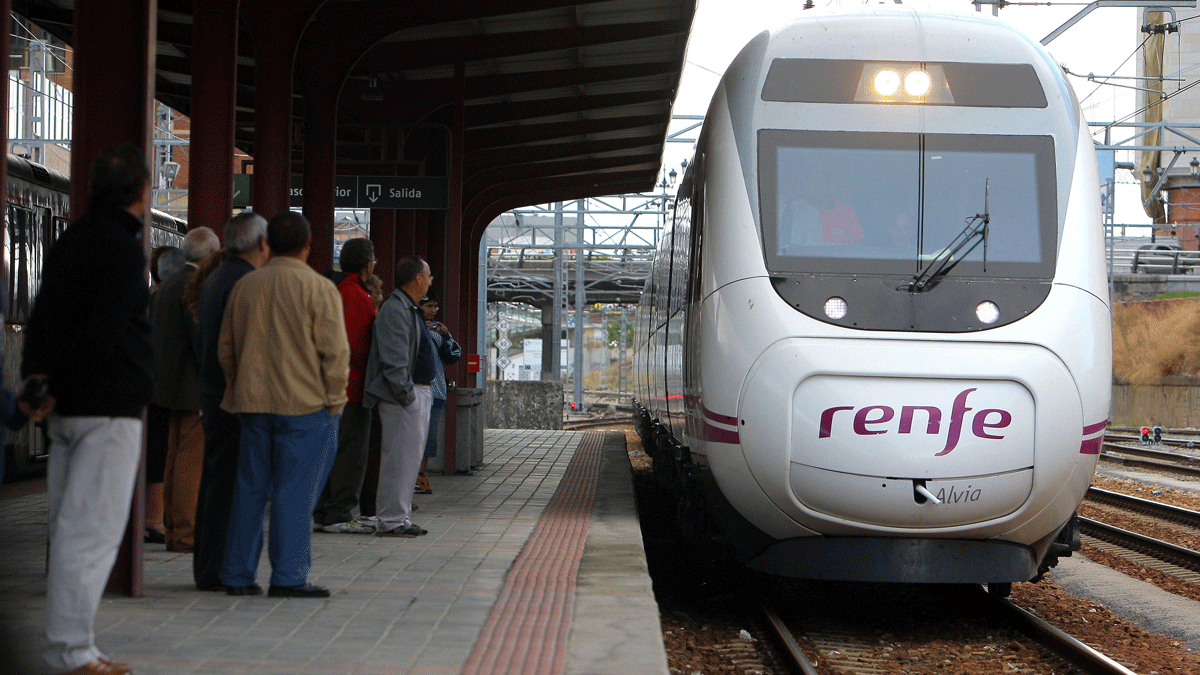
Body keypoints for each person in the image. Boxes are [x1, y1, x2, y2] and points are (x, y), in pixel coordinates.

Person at [22, 143, 154, 675]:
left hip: (69, 408)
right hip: (108, 406)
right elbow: (106, 331)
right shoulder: (122, 250)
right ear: (142, 194)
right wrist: (71, 379)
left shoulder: (71, 239)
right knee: (92, 531)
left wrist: (44, 383)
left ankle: (76, 644)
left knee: (66, 524)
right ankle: (72, 650)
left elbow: (44, 313)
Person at [218, 212, 349, 598]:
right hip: (306, 407)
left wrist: (237, 387)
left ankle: (238, 575)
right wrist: (334, 402)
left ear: (267, 244)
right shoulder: (319, 288)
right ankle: (289, 576)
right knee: (295, 493)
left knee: (249, 491)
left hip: (253, 405)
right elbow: (335, 354)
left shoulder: (245, 286)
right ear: (308, 244)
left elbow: (225, 350)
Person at [191, 212, 269, 592]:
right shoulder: (244, 282)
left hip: (213, 390)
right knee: (232, 484)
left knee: (216, 481)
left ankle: (208, 566)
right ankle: (220, 568)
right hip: (233, 395)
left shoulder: (217, 277)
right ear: (262, 244)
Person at [152, 227, 220, 553]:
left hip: (169, 387)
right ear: (208, 256)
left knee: (174, 459)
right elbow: (200, 340)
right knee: (190, 464)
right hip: (193, 389)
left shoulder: (167, 286)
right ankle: (186, 535)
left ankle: (173, 530)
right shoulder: (194, 285)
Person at [364, 255, 435, 538]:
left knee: (409, 458)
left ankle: (400, 516)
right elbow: (394, 360)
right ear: (417, 279)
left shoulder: (408, 307)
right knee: (399, 458)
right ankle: (391, 519)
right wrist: (408, 397)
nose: (430, 281)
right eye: (428, 276)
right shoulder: (395, 309)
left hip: (415, 392)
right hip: (402, 397)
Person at [314, 238, 378, 533]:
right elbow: (352, 345)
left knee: (330, 449)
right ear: (367, 266)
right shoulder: (355, 295)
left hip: (332, 385)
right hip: (351, 386)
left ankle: (324, 508)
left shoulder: (337, 290)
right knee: (351, 452)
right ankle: (340, 511)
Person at [144, 247, 183, 545]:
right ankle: (154, 520)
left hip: (149, 386)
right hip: (165, 388)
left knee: (156, 453)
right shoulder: (173, 298)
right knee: (162, 454)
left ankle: (153, 518)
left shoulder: (149, 299)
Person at [415, 291, 460, 494]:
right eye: (428, 306)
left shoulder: (438, 331)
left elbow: (454, 355)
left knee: (429, 436)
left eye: (435, 307)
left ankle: (420, 475)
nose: (432, 311)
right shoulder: (410, 326)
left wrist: (446, 334)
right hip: (415, 390)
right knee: (414, 435)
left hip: (436, 391)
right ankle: (413, 476)